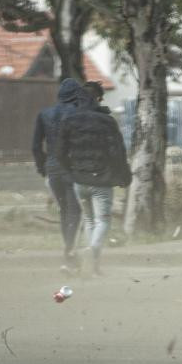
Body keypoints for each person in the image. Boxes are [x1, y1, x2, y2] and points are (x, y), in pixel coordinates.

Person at [57, 80, 131, 276]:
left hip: (79, 181)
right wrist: (123, 176)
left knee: (89, 221)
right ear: (98, 99)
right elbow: (118, 152)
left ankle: (94, 267)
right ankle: (91, 252)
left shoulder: (69, 121)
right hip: (102, 179)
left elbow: (59, 152)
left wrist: (71, 171)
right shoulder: (107, 121)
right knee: (103, 221)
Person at [32, 78, 92, 273]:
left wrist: (43, 168)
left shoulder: (45, 114)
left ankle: (69, 253)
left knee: (65, 211)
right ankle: (70, 254)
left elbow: (35, 146)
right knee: (76, 211)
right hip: (74, 168)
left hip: (53, 169)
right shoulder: (81, 114)